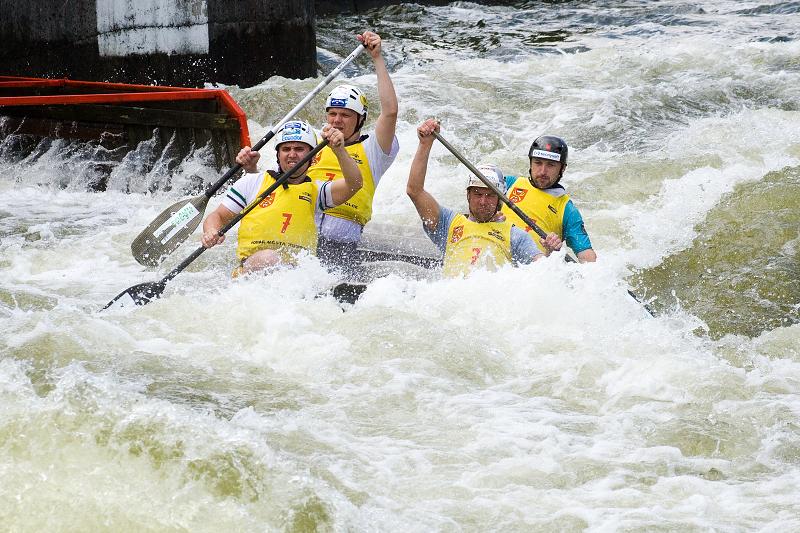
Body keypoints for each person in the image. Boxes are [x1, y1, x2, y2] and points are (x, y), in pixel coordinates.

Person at [237, 30, 399, 271]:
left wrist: (377, 58)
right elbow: (276, 189)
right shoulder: (311, 144)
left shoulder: (374, 149)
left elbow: (390, 112)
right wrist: (251, 170)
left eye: (345, 115)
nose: (336, 120)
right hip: (299, 239)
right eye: (332, 114)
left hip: (342, 242)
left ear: (361, 120)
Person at [200, 120, 362, 275]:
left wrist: (339, 150)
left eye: (299, 149)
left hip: (295, 274)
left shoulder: (318, 192)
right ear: (278, 155)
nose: (292, 154)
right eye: (286, 149)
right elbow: (217, 216)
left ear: (312, 157)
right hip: (252, 270)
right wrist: (211, 231)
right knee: (269, 258)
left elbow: (354, 184)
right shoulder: (252, 182)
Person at [406, 119, 547, 277]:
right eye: (477, 194)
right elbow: (414, 190)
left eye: (490, 196)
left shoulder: (516, 236)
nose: (483, 201)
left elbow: (543, 270)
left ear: (500, 200)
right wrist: (425, 144)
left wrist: (553, 255)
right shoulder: (448, 223)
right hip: (448, 297)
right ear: (468, 195)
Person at [501, 135, 597, 262]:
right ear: (530, 163)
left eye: (551, 165)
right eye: (538, 163)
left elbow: (587, 256)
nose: (543, 171)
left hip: (529, 271)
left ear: (562, 169)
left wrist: (555, 252)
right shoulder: (508, 184)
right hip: (494, 253)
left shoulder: (567, 210)